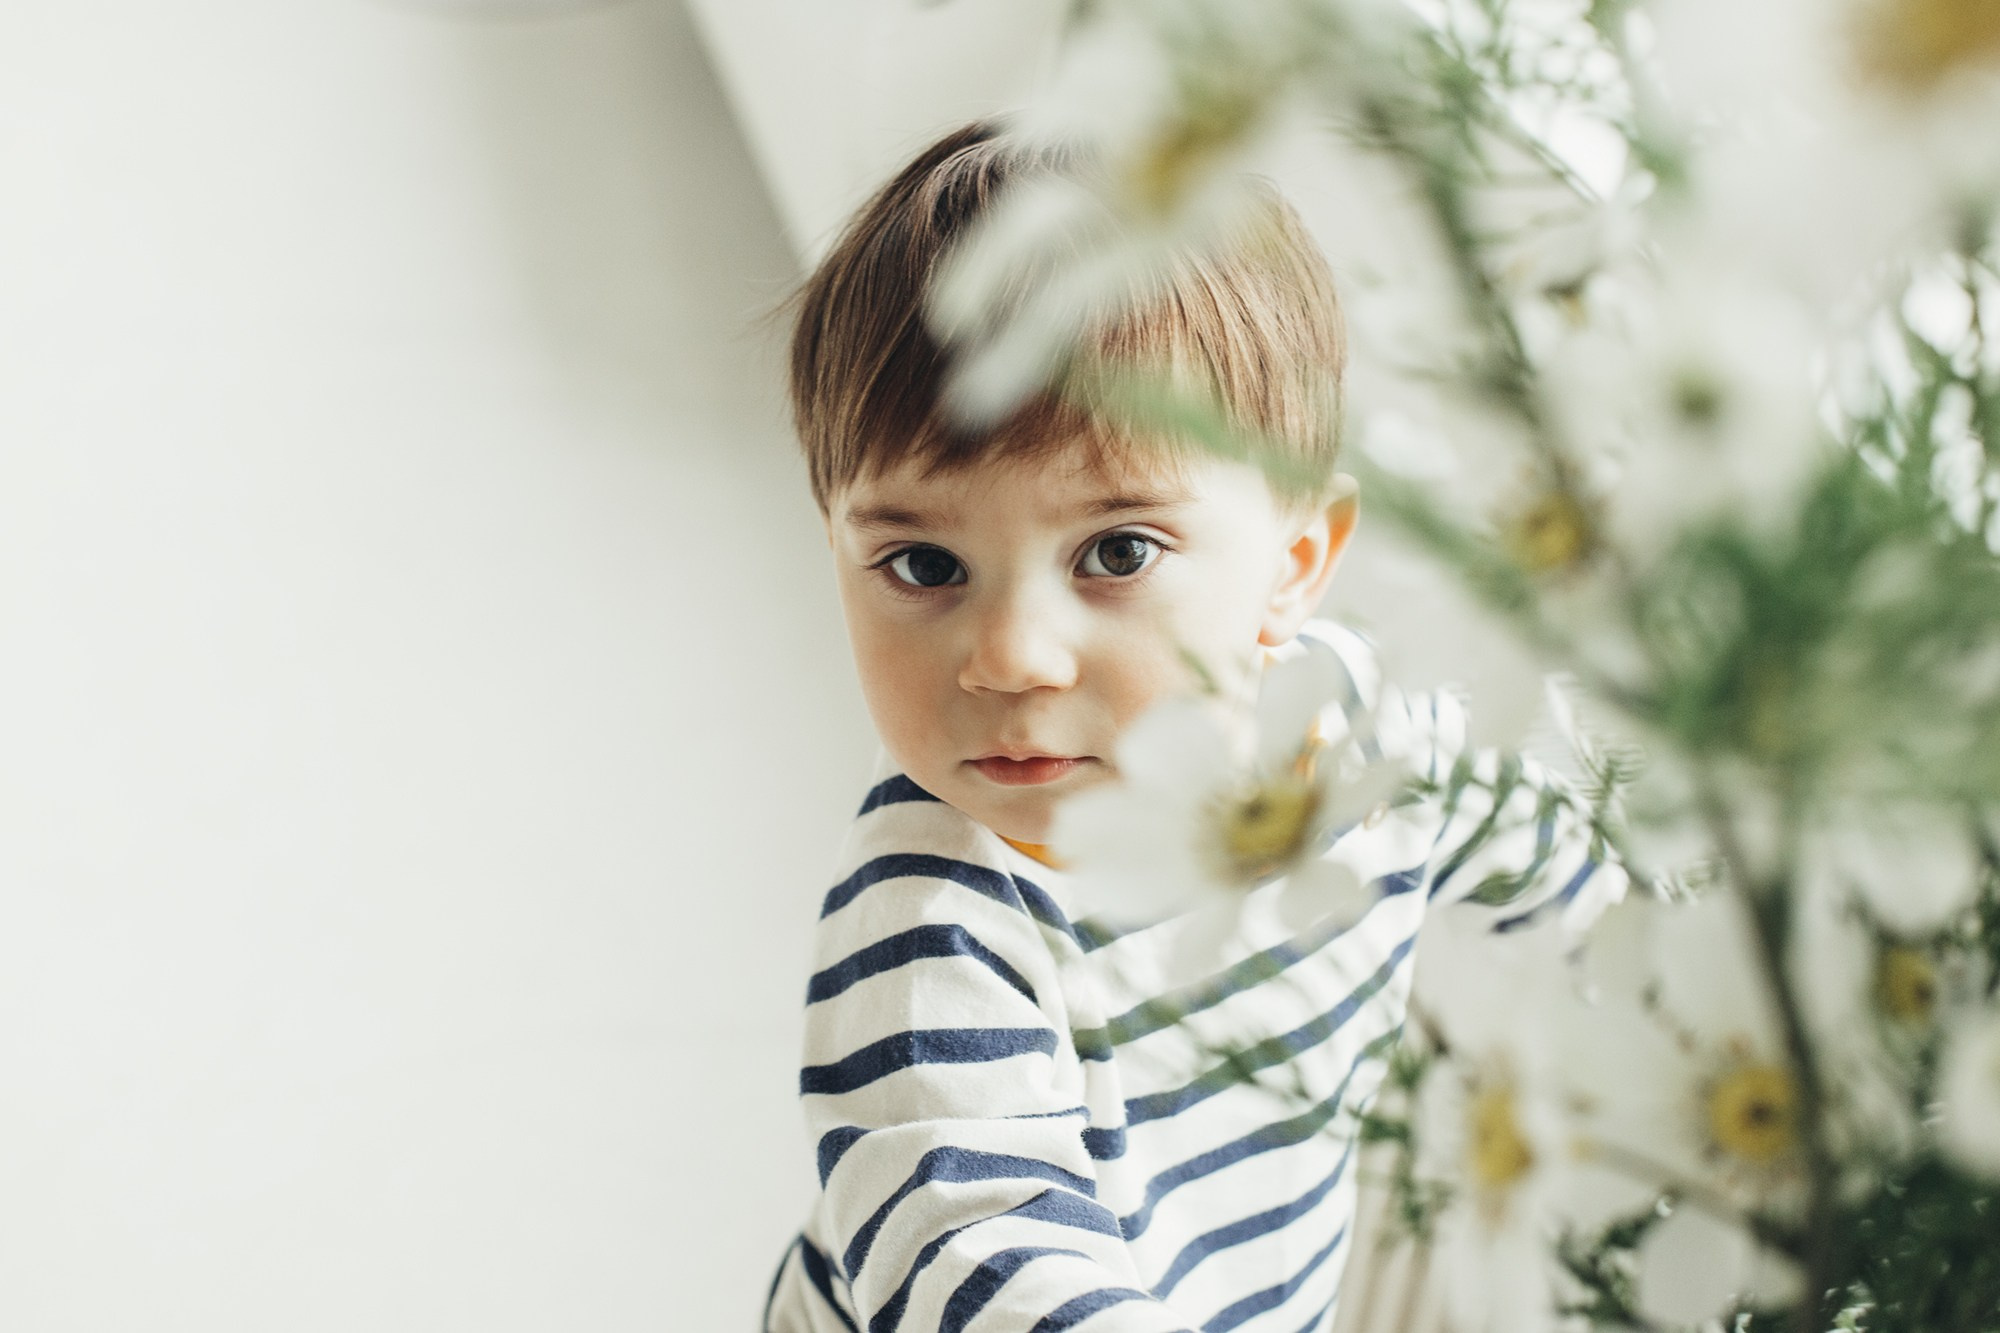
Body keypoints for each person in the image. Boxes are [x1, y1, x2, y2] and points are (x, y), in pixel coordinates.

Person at [762, 119, 1622, 1333]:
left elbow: (1558, 868)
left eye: (1114, 553)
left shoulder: (1361, 737)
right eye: (922, 564)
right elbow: (980, 1252)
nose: (1010, 655)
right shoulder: (932, 923)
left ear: (1293, 564)